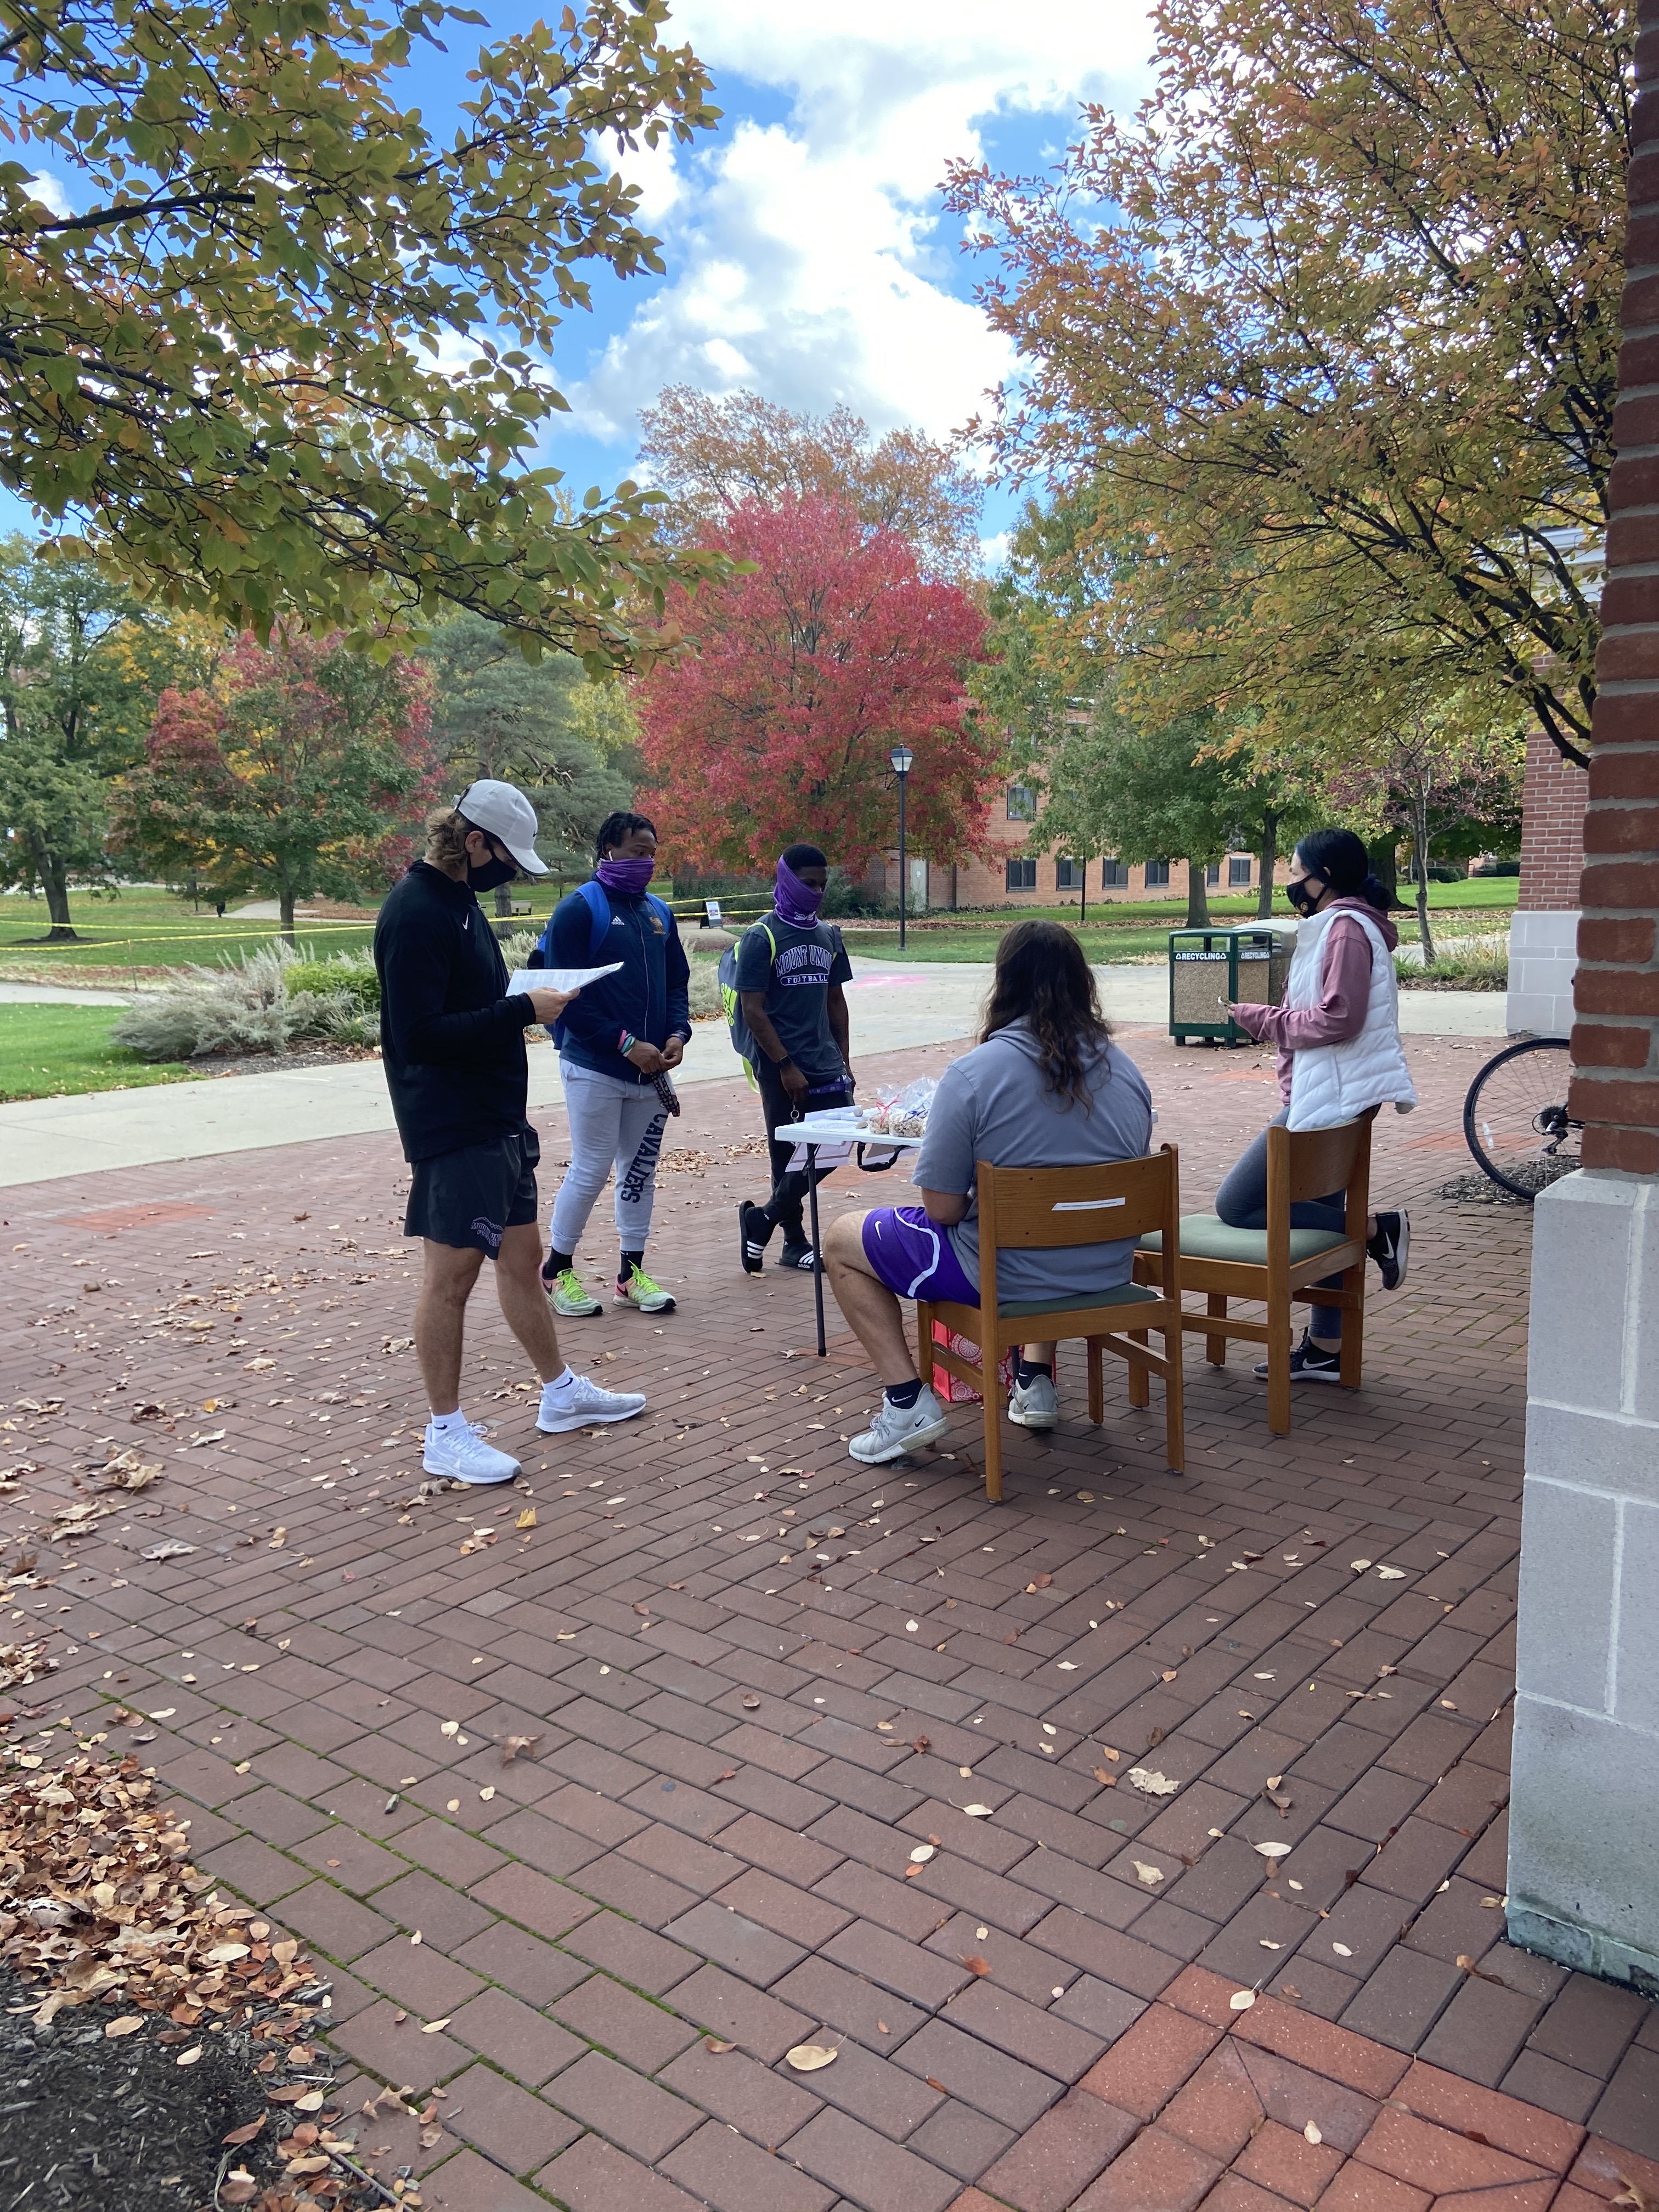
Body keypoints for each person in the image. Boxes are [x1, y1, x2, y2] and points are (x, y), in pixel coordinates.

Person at [374, 781, 647, 1486]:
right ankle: (445, 1432)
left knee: (522, 1260)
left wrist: (525, 999)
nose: (511, 873)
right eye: (506, 858)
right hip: (451, 1120)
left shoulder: (460, 903)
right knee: (451, 1278)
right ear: (473, 844)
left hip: (497, 1115)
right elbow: (418, 1036)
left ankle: (560, 1395)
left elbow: (471, 1001)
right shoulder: (415, 912)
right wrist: (523, 1008)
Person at [823, 920, 1153, 1464]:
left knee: (840, 1239)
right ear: (1082, 984)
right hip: (1105, 1269)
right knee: (1050, 1224)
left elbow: (942, 1207)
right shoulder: (1128, 1072)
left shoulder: (975, 1075)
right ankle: (1034, 1378)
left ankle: (906, 1401)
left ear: (1004, 983)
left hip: (1009, 1274)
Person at [1221, 825, 1416, 1385]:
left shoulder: (1346, 932)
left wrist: (1263, 1019)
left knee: (1238, 1203)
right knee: (1325, 1225)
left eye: (1296, 872)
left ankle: (1379, 1227)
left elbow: (1340, 1017)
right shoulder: (1343, 926)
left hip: (1332, 1095)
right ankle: (1327, 1349)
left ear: (1323, 877)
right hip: (1335, 1092)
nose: (1291, 882)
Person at [537, 812, 690, 1318]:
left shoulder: (659, 913)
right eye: (636, 850)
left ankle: (631, 1273)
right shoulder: (579, 910)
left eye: (652, 851)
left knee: (639, 1172)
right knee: (592, 1167)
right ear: (608, 849)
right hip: (595, 1067)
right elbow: (566, 997)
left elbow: (676, 984)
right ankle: (557, 1270)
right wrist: (626, 1044)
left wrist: (676, 1034)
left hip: (650, 1070)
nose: (646, 861)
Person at [735, 844, 855, 1274]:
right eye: (808, 883)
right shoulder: (761, 937)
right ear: (787, 879)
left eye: (823, 884)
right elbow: (753, 1009)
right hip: (779, 1065)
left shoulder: (829, 936)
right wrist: (784, 1064)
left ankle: (761, 1219)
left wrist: (845, 1060)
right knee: (787, 1156)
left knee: (835, 1147)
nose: (817, 891)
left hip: (825, 1063)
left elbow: (836, 1002)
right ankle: (793, 1242)